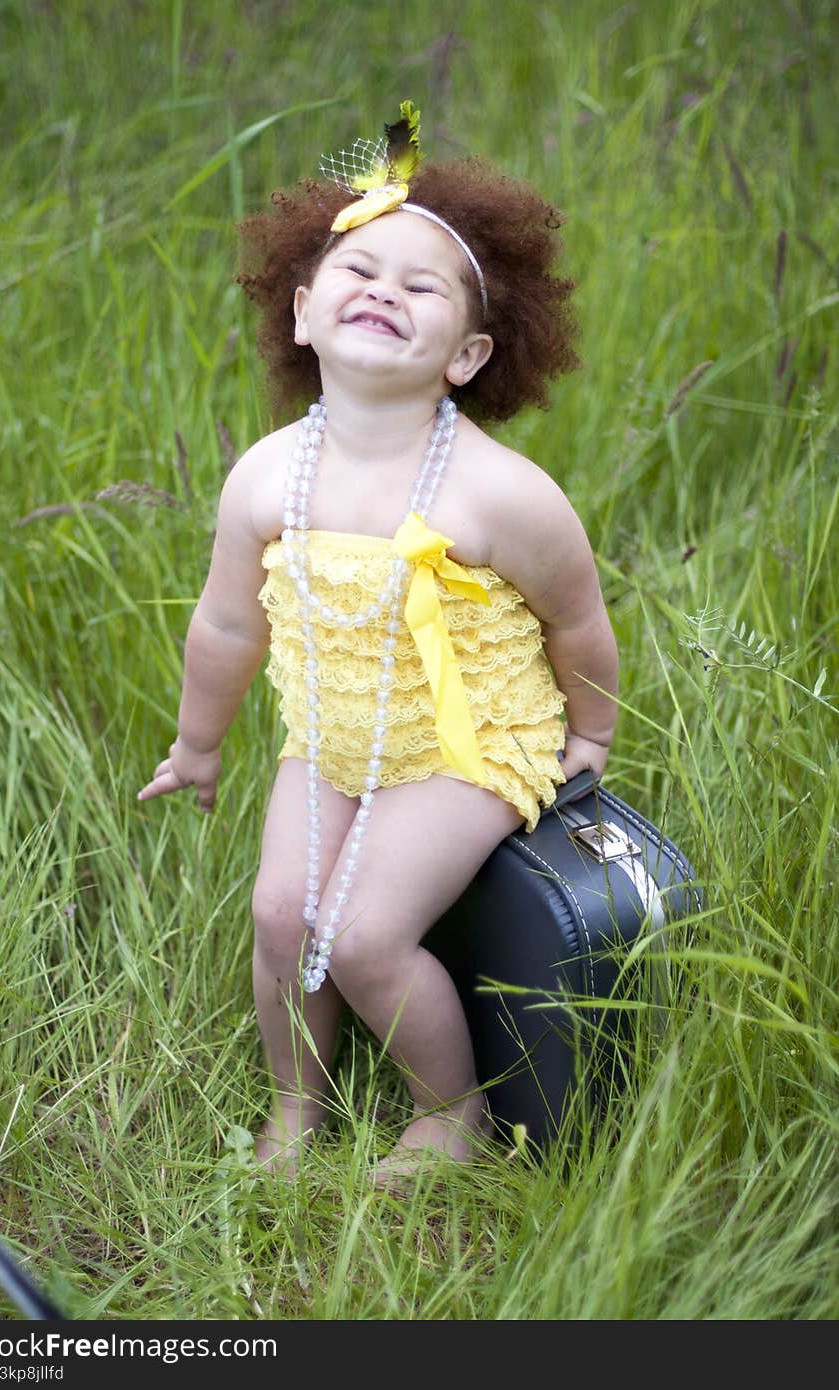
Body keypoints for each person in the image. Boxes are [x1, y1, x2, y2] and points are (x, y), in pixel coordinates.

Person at [138, 104, 619, 1181]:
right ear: (303, 313)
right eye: (359, 271)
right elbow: (226, 622)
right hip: (334, 729)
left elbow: (575, 621)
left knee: (359, 932)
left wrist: (591, 729)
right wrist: (199, 744)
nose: (383, 293)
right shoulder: (266, 474)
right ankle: (296, 1106)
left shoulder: (501, 494)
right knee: (279, 913)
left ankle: (450, 1114)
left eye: (421, 287)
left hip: (467, 743)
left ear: (470, 352)